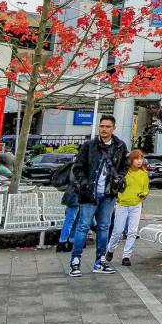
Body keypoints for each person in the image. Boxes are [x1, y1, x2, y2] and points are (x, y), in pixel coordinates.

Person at [68, 114, 129, 278]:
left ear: (113, 128)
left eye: (108, 126)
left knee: (103, 227)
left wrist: (119, 178)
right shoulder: (89, 146)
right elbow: (78, 167)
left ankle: (100, 261)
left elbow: (124, 166)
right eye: (102, 126)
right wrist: (84, 183)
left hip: (108, 194)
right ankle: (75, 261)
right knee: (83, 226)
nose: (104, 129)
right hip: (90, 193)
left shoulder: (120, 146)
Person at [106, 149, 149, 267]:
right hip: (122, 204)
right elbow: (115, 185)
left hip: (136, 204)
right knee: (118, 231)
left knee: (132, 231)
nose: (139, 161)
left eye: (141, 159)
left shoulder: (144, 174)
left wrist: (144, 194)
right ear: (131, 160)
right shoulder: (124, 173)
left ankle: (126, 256)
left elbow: (146, 187)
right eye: (136, 159)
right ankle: (110, 249)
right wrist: (116, 196)